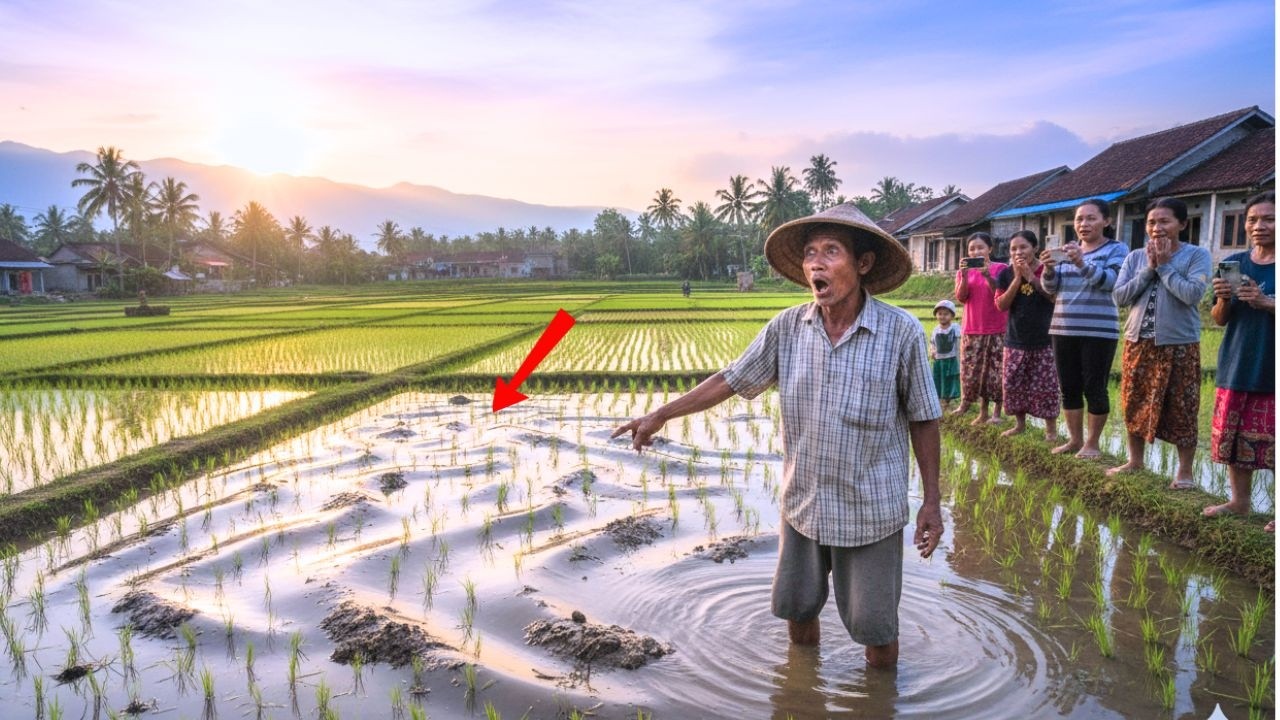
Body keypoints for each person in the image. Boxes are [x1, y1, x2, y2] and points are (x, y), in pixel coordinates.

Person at [612, 203, 942, 670]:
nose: (816, 264)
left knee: (877, 630)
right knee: (797, 611)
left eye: (831, 251)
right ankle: (802, 687)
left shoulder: (901, 333)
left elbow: (925, 418)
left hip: (870, 510)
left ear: (862, 264)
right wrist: (662, 413)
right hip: (803, 504)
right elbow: (732, 378)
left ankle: (878, 700)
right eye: (810, 253)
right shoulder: (787, 328)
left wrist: (931, 501)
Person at [1108, 197, 1213, 486]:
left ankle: (1185, 472)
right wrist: (1149, 269)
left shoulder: (1197, 256)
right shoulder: (1135, 258)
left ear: (1182, 224)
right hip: (1137, 340)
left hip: (1180, 343)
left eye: (1164, 221)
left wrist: (1165, 267)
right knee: (1134, 400)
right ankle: (1135, 460)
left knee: (1183, 404)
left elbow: (1192, 295)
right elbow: (1120, 297)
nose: (1157, 228)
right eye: (1152, 222)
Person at [1202, 192, 1275, 531]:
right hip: (1238, 359)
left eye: (1269, 219)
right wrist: (1224, 299)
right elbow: (1219, 318)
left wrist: (1266, 302)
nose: (1259, 226)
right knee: (1237, 437)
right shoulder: (1234, 263)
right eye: (1253, 220)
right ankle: (1239, 502)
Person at [1041, 198, 1129, 459]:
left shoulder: (1117, 249)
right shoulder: (1067, 251)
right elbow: (1051, 288)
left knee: (1095, 386)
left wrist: (1081, 263)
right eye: (1079, 219)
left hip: (1099, 330)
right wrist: (1048, 269)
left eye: (1091, 218)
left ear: (1106, 221)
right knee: (1068, 386)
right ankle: (1075, 440)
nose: (1084, 224)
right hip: (1063, 327)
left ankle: (1092, 444)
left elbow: (1111, 282)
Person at [994, 230, 1060, 442]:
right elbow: (1001, 304)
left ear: (1035, 248)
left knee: (1046, 385)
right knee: (1015, 383)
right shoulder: (1005, 274)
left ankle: (1051, 430)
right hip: (1015, 338)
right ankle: (1019, 425)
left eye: (1023, 247)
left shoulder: (1047, 270)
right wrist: (1017, 279)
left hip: (1044, 338)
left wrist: (1030, 277)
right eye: (1014, 249)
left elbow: (1052, 297)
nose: (1018, 252)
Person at [952, 232, 1008, 425]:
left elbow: (1000, 295)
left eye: (980, 248)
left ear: (990, 249)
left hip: (997, 328)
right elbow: (961, 297)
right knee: (973, 371)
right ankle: (981, 411)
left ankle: (997, 413)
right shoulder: (963, 272)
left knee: (996, 371)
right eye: (972, 249)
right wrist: (965, 276)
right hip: (972, 328)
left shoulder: (1001, 269)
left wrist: (986, 275)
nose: (976, 251)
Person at [930, 300, 961, 410]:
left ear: (952, 316)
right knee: (939, 380)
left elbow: (959, 343)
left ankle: (947, 401)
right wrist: (932, 351)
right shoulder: (935, 330)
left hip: (951, 359)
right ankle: (940, 400)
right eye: (940, 314)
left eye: (946, 314)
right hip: (939, 360)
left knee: (950, 380)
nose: (942, 317)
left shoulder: (955, 328)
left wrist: (960, 358)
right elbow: (932, 343)